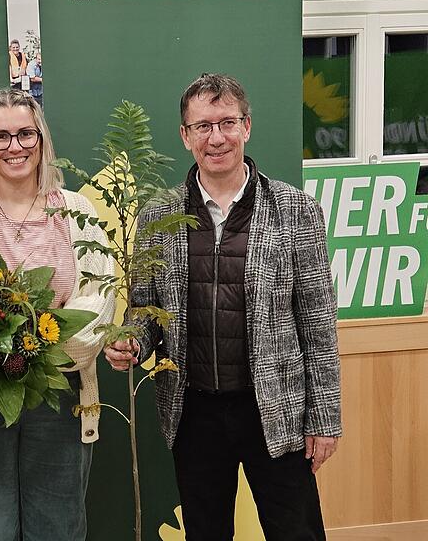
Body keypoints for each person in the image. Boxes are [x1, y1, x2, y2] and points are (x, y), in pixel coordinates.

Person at [106, 73, 342, 540]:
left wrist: (325, 418)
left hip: (276, 408)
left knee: (297, 532)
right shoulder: (159, 214)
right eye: (203, 126)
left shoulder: (294, 209)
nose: (216, 138)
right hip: (194, 412)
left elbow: (318, 323)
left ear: (246, 127)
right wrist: (133, 341)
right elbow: (145, 309)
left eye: (227, 123)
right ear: (185, 136)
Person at [0, 88, 115, 540]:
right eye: (1, 137)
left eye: (26, 134)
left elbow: (97, 301)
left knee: (58, 528)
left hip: (59, 391)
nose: (15, 147)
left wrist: (34, 353)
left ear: (42, 140)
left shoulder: (78, 212)